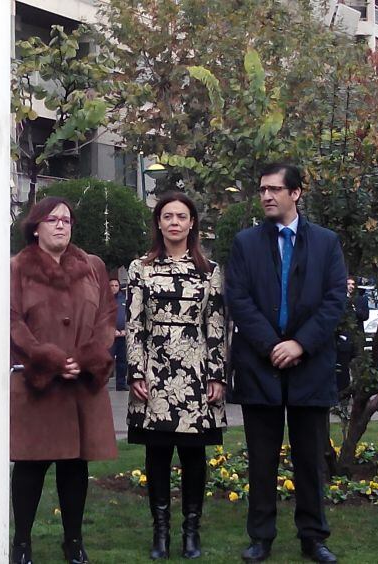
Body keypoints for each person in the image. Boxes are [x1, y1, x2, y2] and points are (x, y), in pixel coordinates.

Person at [226, 163, 346, 564]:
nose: (266, 196)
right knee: (261, 460)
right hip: (260, 367)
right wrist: (271, 345)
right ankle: (261, 537)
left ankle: (313, 537)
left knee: (310, 460)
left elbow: (334, 302)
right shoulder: (245, 243)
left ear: (296, 193)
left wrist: (299, 345)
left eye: (275, 189)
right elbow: (238, 300)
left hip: (309, 366)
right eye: (262, 189)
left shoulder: (327, 243)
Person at [10, 196, 118, 564]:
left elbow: (107, 317)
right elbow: (11, 323)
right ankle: (21, 543)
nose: (61, 225)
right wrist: (49, 359)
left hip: (81, 386)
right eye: (53, 219)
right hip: (37, 385)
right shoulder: (15, 268)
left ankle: (74, 542)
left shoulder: (93, 267)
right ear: (35, 226)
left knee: (75, 466)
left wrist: (87, 358)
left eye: (67, 220)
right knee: (30, 466)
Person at [126, 191, 227, 560]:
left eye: (181, 216)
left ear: (192, 223)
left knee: (193, 454)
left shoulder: (209, 270)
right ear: (158, 223)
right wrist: (136, 369)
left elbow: (215, 325)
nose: (174, 222)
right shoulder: (141, 268)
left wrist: (217, 374)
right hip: (154, 370)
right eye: (167, 216)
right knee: (157, 453)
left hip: (196, 370)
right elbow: (134, 322)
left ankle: (191, 531)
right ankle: (160, 532)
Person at [335, 276, 369, 393]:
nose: (350, 286)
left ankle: (358, 391)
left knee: (358, 366)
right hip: (344, 337)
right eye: (348, 284)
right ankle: (344, 393)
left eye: (352, 284)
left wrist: (355, 309)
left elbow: (365, 316)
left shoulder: (361, 300)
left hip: (357, 337)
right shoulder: (340, 299)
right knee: (343, 368)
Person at [109, 277, 129, 391]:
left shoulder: (124, 299)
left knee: (122, 361)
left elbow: (128, 316)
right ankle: (102, 383)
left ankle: (121, 384)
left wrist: (125, 330)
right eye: (111, 286)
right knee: (107, 359)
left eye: (116, 286)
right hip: (109, 335)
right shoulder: (104, 300)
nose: (114, 288)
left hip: (123, 335)